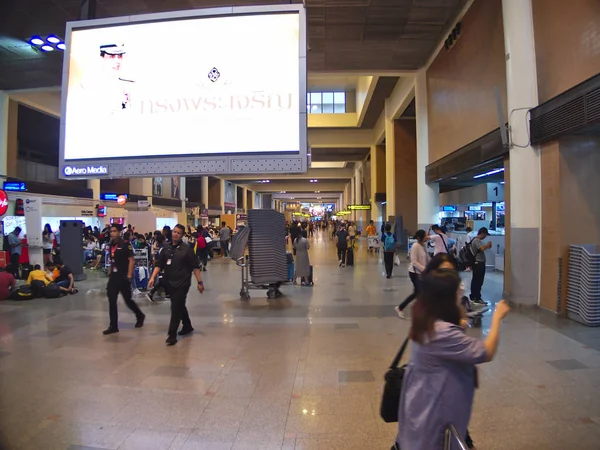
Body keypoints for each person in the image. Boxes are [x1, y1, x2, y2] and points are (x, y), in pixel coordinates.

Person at [396, 269, 510, 450]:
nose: (461, 298)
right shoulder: (441, 332)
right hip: (434, 416)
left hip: (421, 405)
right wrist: (497, 318)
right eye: (458, 294)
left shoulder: (426, 320)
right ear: (446, 299)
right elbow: (485, 352)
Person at [148, 224, 205, 346]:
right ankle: (187, 325)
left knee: (175, 307)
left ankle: (172, 335)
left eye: (179, 233)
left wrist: (200, 282)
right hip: (170, 283)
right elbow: (159, 264)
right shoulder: (166, 248)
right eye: (175, 231)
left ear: (182, 235)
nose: (176, 234)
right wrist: (153, 277)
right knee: (179, 305)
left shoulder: (187, 249)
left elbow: (195, 267)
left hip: (182, 283)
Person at [103, 225, 145, 335]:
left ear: (119, 232)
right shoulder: (110, 244)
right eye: (111, 231)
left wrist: (129, 276)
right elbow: (111, 261)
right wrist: (109, 273)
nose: (112, 233)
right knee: (112, 301)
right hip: (113, 277)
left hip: (123, 276)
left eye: (114, 231)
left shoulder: (126, 244)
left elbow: (131, 260)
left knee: (128, 300)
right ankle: (113, 325)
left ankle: (139, 315)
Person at [396, 230, 428, 318]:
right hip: (414, 273)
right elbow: (414, 262)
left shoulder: (423, 246)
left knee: (417, 293)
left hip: (422, 273)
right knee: (420, 292)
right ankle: (421, 311)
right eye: (425, 236)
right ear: (419, 237)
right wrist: (424, 269)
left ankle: (400, 307)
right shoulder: (415, 246)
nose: (427, 237)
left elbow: (427, 258)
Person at [470, 227, 492, 305]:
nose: (485, 237)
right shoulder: (476, 240)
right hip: (478, 263)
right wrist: (487, 245)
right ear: (482, 233)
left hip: (477, 263)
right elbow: (482, 248)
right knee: (478, 281)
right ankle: (477, 297)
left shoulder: (474, 239)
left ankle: (473, 296)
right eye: (485, 235)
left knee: (475, 280)